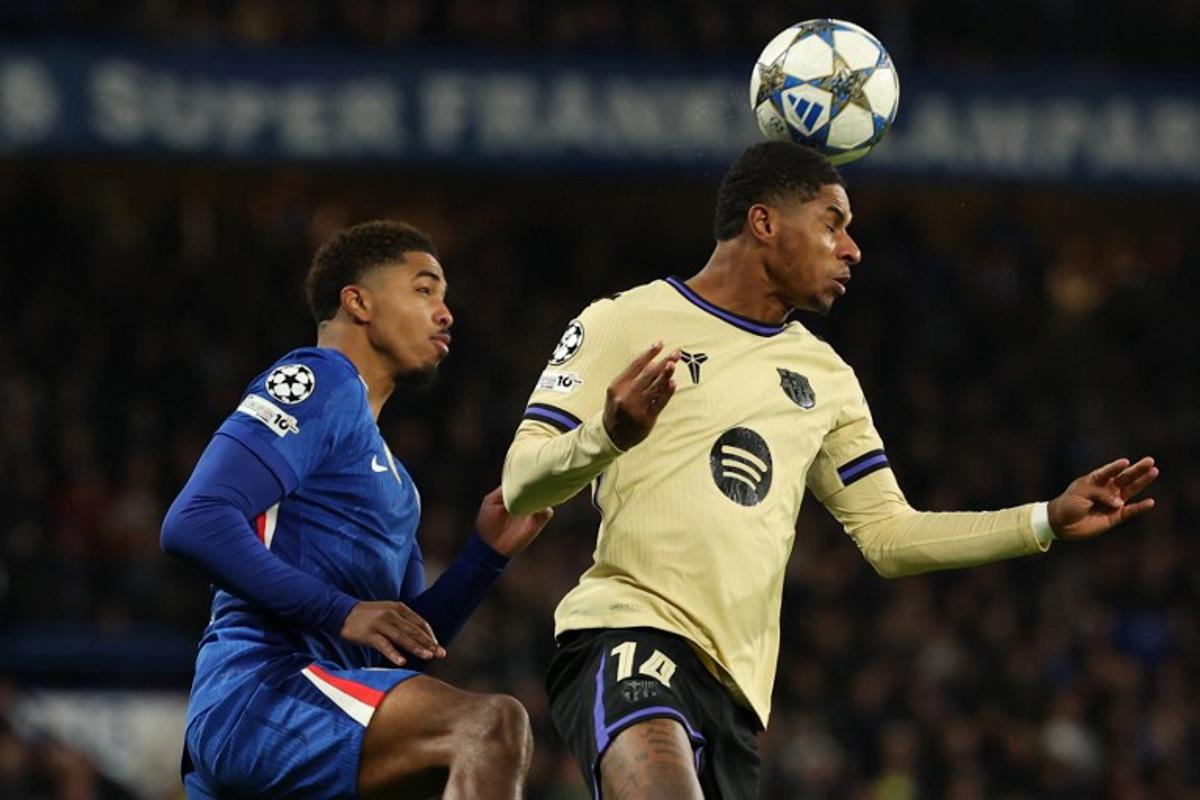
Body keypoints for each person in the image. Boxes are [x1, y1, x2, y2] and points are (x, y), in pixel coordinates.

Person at [501, 141, 1159, 800]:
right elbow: (523, 481)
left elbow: (888, 537)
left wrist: (1043, 520)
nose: (852, 249)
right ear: (763, 223)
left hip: (734, 690)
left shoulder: (827, 379)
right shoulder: (625, 320)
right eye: (832, 223)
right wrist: (606, 438)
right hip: (627, 633)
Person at [161, 220, 552, 799]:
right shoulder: (321, 380)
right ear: (359, 301)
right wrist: (340, 610)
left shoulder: (398, 486)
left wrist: (483, 558)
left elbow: (396, 648)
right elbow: (195, 520)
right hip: (263, 689)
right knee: (487, 727)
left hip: (316, 711)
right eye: (424, 290)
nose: (446, 313)